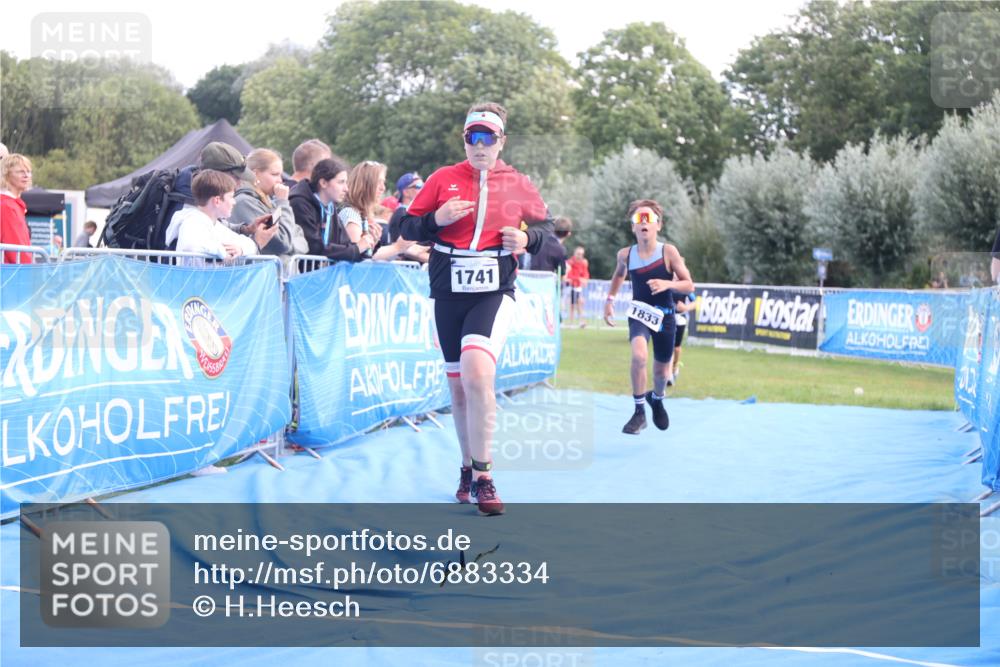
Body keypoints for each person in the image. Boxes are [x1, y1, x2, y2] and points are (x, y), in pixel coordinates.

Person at [401, 101, 554, 515]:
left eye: (488, 137)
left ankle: (485, 476)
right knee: (458, 386)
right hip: (448, 287)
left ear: (501, 141)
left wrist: (528, 242)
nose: (480, 145)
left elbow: (551, 234)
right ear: (464, 139)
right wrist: (436, 219)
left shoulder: (518, 183)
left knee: (477, 370)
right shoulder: (442, 179)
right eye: (473, 137)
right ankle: (467, 467)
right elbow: (406, 226)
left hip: (493, 288)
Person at [603, 199, 694, 435]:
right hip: (640, 314)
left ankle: (658, 398)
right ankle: (639, 412)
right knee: (639, 355)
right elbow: (618, 277)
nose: (644, 223)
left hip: (665, 317)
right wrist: (610, 301)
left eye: (649, 219)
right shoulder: (625, 255)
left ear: (658, 225)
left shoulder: (668, 252)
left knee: (662, 373)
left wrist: (666, 283)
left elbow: (688, 285)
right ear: (633, 227)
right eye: (638, 219)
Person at [164, 170, 278, 261]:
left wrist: (244, 247)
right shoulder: (192, 224)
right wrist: (226, 254)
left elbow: (238, 241)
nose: (234, 202)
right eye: (231, 197)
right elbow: (195, 250)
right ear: (217, 201)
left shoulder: (212, 223)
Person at [229, 148, 308, 268]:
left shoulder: (268, 202)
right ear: (255, 174)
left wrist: (288, 247)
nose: (280, 180)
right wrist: (283, 202)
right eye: (275, 174)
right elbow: (282, 242)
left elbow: (300, 236)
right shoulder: (245, 202)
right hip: (261, 280)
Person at [289, 156, 377, 262]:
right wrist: (356, 249)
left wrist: (366, 245)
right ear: (323, 183)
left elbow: (344, 243)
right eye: (341, 182)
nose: (346, 189)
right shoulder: (300, 203)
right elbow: (314, 247)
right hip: (302, 275)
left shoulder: (330, 207)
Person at [339, 161, 412, 262]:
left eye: (383, 182)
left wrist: (374, 243)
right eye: (378, 182)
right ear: (365, 184)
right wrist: (397, 247)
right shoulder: (351, 214)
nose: (383, 188)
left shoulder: (358, 214)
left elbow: (365, 255)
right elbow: (356, 257)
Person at [389, 171, 431, 264]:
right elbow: (406, 250)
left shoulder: (412, 213)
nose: (423, 189)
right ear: (406, 192)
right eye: (419, 186)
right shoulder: (401, 214)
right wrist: (437, 262)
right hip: (410, 271)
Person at [0, 154, 34, 263]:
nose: (26, 175)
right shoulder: (6, 205)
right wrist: (31, 271)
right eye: (20, 171)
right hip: (11, 274)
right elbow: (14, 247)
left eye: (28, 171)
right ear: (7, 175)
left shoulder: (14, 204)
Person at [670, 291, 696, 385]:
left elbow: (695, 302)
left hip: (680, 318)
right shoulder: (664, 280)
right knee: (667, 346)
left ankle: (675, 367)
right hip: (666, 317)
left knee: (676, 348)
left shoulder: (684, 284)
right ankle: (668, 374)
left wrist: (685, 307)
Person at [565, 245, 590, 327]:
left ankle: (581, 322)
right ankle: (571, 323)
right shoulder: (569, 262)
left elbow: (586, 274)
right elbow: (568, 275)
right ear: (575, 253)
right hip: (570, 286)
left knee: (580, 303)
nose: (580, 256)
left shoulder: (584, 262)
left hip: (578, 287)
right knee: (572, 305)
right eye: (578, 254)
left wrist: (585, 279)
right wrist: (579, 279)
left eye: (582, 254)